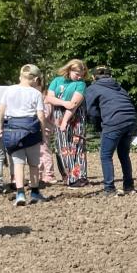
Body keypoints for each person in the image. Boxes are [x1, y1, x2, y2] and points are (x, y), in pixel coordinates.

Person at [0, 64, 49, 206]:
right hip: (31, 130)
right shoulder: (36, 93)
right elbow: (41, 116)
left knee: (18, 164)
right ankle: (35, 192)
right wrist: (43, 134)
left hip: (12, 129)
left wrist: (0, 127)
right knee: (33, 164)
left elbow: (1, 110)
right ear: (36, 78)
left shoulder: (9, 90)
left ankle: (20, 194)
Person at [85, 66, 137, 196]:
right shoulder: (120, 87)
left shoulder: (93, 88)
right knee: (124, 154)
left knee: (106, 155)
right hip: (131, 121)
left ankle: (109, 188)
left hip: (114, 122)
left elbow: (91, 111)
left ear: (93, 77)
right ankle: (129, 186)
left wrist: (98, 126)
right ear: (110, 76)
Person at [46, 59, 88, 187]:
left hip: (75, 117)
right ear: (69, 70)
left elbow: (74, 104)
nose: (79, 77)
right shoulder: (57, 81)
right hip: (59, 114)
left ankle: (79, 177)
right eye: (77, 74)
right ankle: (68, 176)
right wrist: (64, 103)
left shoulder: (81, 84)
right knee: (62, 146)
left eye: (81, 74)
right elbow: (49, 98)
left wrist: (65, 121)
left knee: (77, 146)